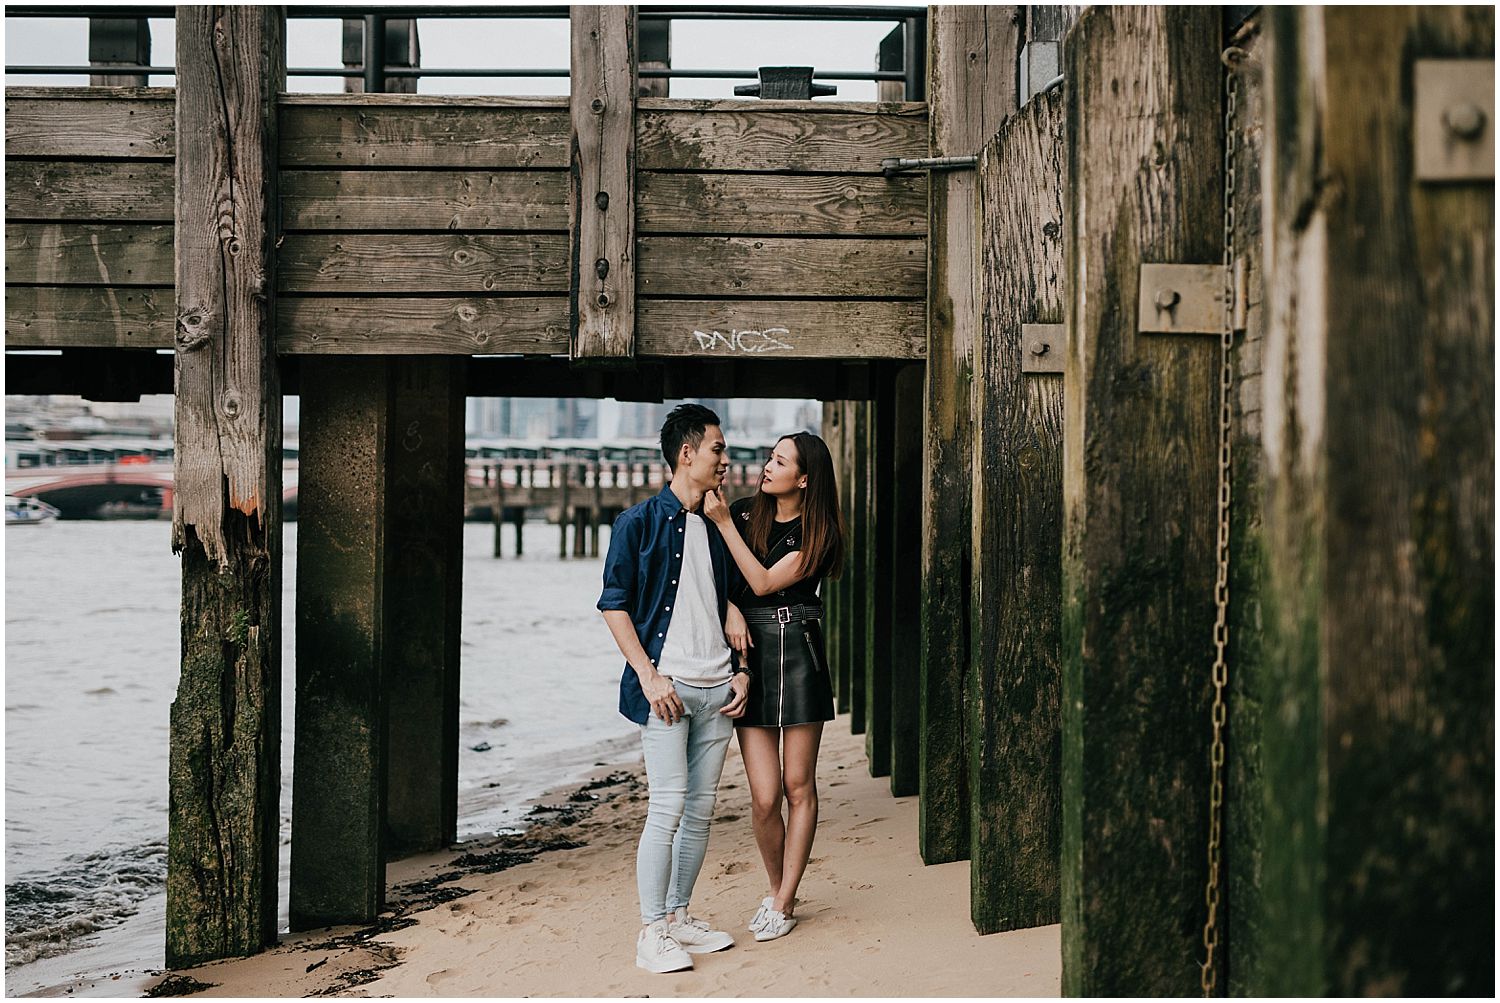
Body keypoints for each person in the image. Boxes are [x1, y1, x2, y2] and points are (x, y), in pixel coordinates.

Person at [597, 403, 755, 974]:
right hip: (667, 689)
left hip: (718, 690)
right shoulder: (636, 523)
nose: (725, 459)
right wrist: (647, 673)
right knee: (666, 808)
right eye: (717, 448)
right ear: (686, 453)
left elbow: (723, 599)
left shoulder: (718, 527)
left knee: (701, 811)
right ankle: (651, 930)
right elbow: (614, 605)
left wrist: (741, 668)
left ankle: (680, 915)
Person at [702, 431, 845, 944]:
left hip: (799, 648)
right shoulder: (743, 512)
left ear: (803, 478)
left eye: (779, 461)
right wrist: (729, 608)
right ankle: (775, 886)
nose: (767, 466)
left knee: (797, 786)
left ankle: (784, 900)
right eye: (769, 457)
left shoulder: (819, 531)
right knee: (764, 798)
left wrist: (722, 525)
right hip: (750, 655)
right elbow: (710, 575)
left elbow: (764, 582)